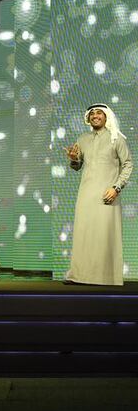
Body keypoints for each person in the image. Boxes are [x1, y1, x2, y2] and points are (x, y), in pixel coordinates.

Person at [65, 104, 133, 285]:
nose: (95, 116)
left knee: (104, 235)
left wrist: (116, 188)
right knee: (84, 234)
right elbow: (77, 166)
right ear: (88, 118)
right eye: (92, 114)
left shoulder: (116, 138)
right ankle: (79, 276)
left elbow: (128, 165)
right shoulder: (82, 139)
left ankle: (106, 278)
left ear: (106, 116)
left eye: (99, 113)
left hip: (107, 194)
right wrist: (73, 159)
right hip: (86, 193)